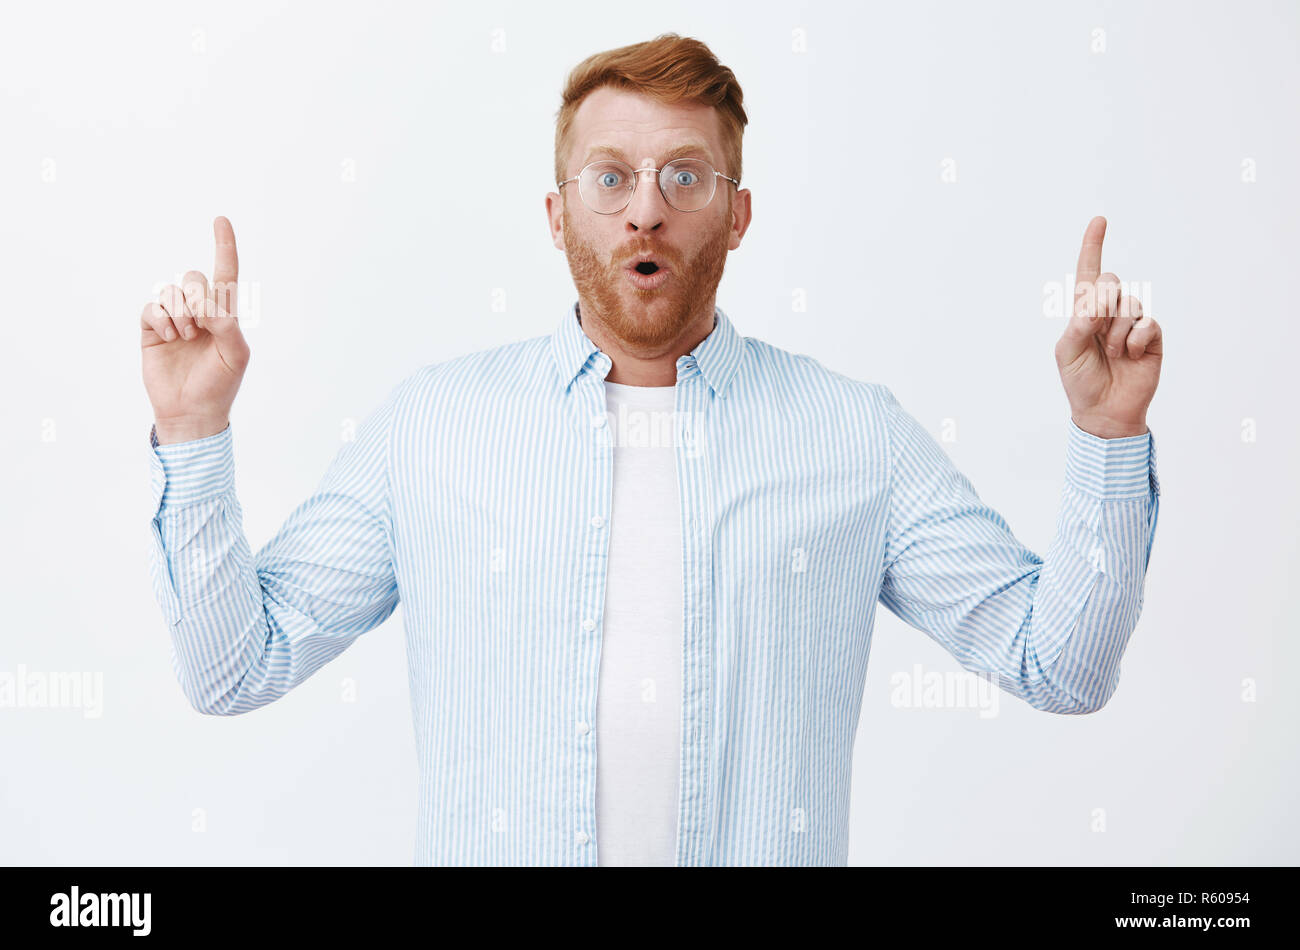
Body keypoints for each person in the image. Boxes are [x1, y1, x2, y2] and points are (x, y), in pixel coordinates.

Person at [140, 34, 1162, 867]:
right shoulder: (433, 428)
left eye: (685, 175)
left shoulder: (855, 435)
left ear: (738, 212)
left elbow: (1059, 664)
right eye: (611, 175)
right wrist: (192, 430)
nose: (645, 207)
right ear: (556, 214)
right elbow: (234, 666)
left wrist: (1106, 435)